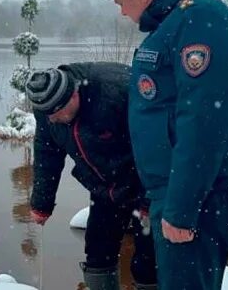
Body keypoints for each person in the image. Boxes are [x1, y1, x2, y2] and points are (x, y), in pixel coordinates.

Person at [90, 0, 228, 290]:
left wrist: (180, 208)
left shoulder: (200, 20)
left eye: (119, 1)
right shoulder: (175, 23)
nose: (122, 11)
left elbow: (203, 123)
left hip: (199, 198)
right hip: (183, 194)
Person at [26, 62, 157, 290]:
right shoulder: (47, 106)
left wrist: (150, 199)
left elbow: (156, 147)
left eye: (59, 112)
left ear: (74, 93)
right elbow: (47, 152)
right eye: (50, 116)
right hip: (105, 188)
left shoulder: (117, 92)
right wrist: (41, 203)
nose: (54, 119)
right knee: (98, 252)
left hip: (143, 183)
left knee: (148, 260)